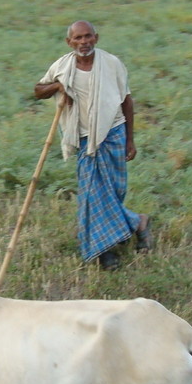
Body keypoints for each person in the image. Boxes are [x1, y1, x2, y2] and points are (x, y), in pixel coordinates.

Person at [34, 20, 152, 270]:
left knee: (111, 192)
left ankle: (135, 225)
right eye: (78, 38)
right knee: (92, 195)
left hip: (113, 133)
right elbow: (38, 90)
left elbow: (126, 100)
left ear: (96, 38)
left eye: (88, 37)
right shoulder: (62, 66)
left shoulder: (111, 63)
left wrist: (131, 139)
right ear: (70, 42)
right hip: (85, 139)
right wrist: (58, 85)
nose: (83, 42)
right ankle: (107, 250)